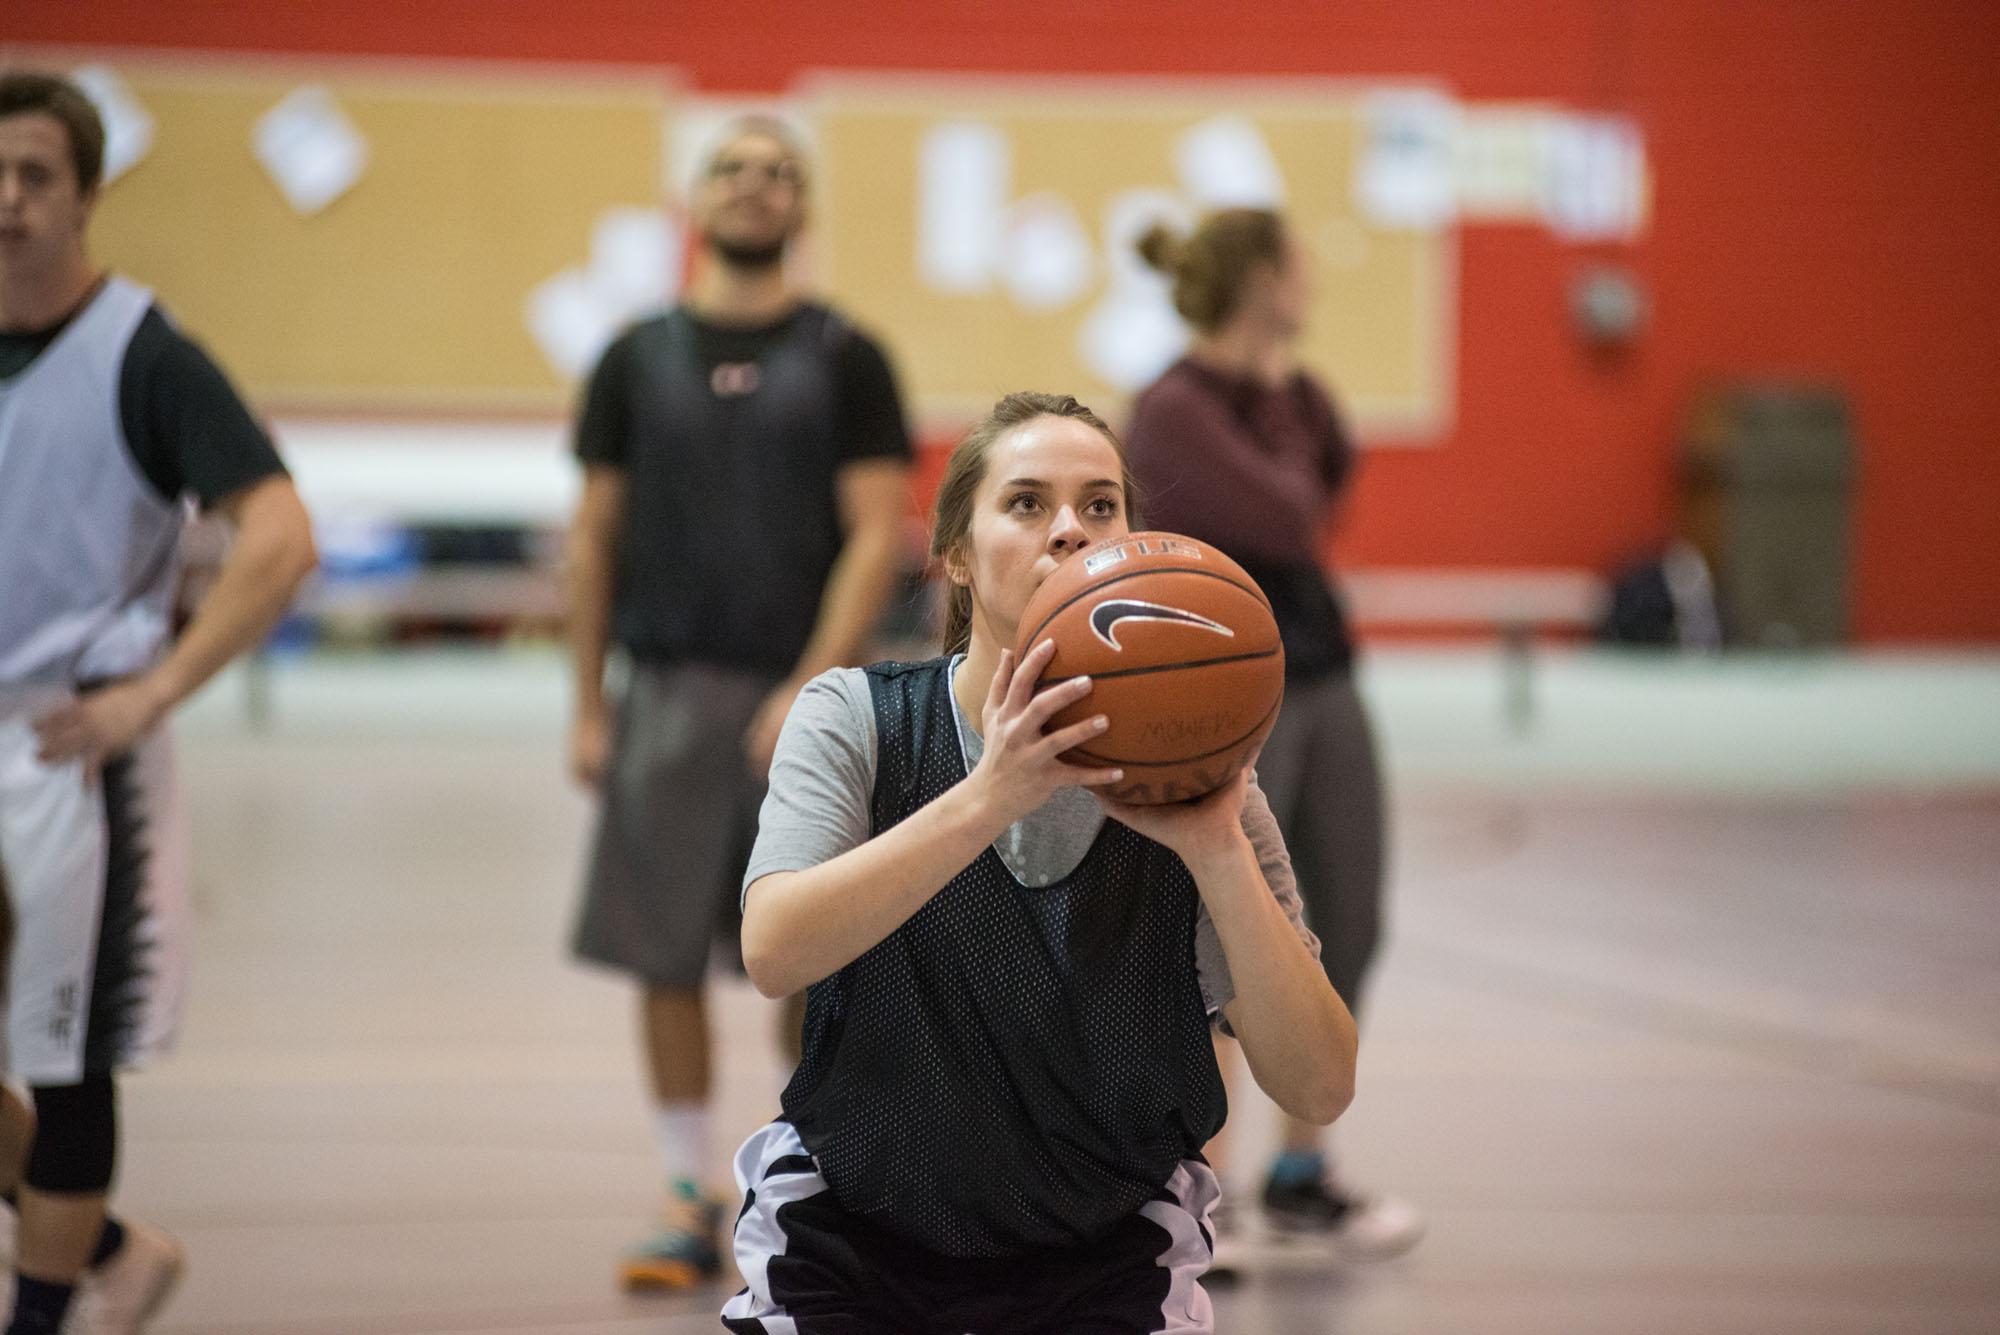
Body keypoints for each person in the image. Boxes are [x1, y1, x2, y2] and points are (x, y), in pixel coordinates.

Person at [720, 391, 1356, 1333]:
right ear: (959, 557)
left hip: (1103, 1249)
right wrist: (992, 795)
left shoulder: (1200, 781)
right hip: (855, 1228)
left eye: (1101, 505)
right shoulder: (856, 717)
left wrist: (1217, 845)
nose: (1070, 530)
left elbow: (1318, 1085)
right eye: (1026, 503)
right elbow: (773, 950)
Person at [563, 115, 914, 1290]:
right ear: (694, 198)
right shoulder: (633, 356)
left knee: (809, 956)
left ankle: (802, 1173)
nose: (755, 187)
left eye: (779, 174)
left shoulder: (845, 355)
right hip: (662, 689)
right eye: (733, 168)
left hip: (803, 699)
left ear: (800, 210)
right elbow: (593, 538)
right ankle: (683, 1190)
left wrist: (813, 680)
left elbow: (876, 534)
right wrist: (586, 703)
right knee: (663, 955)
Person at [0, 70, 318, 1334]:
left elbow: (280, 537)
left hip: (68, 743)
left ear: (84, 195)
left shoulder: (141, 354)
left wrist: (154, 693)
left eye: (34, 175)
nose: (7, 199)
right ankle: (116, 1253)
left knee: (60, 1056)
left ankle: (41, 1313)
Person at [1125, 209, 1424, 1260]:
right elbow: (1288, 513)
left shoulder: (1294, 395)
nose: (1311, 285)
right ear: (1257, 280)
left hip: (1327, 672)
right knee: (1223, 936)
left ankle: (1301, 1175)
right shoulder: (1170, 407)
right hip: (1229, 693)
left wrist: (1295, 452)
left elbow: (1323, 477)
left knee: (1345, 914)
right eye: (1296, 267)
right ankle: (1203, 1197)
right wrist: (1294, 469)